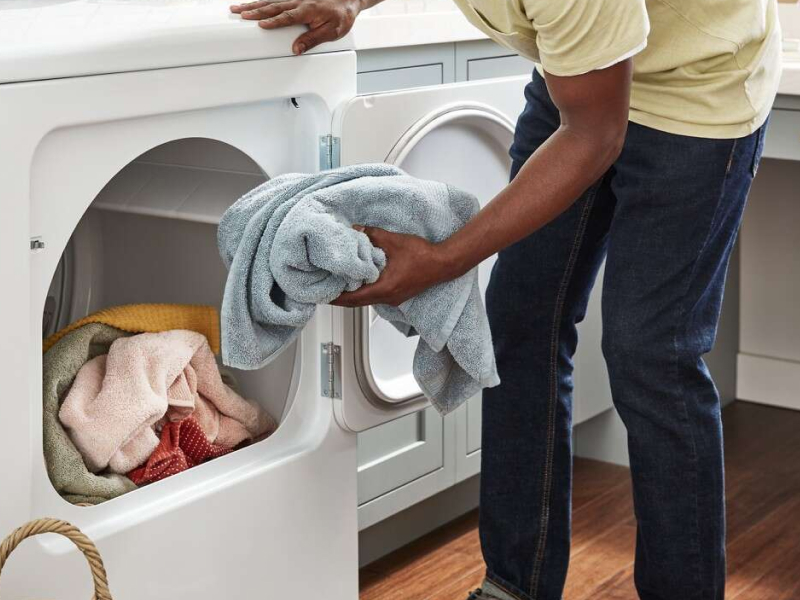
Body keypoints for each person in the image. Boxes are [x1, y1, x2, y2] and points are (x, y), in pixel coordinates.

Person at [230, 1, 781, 598]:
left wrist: (445, 258)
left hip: (695, 91)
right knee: (520, 324)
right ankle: (515, 585)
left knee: (652, 357)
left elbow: (595, 134)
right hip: (579, 77)